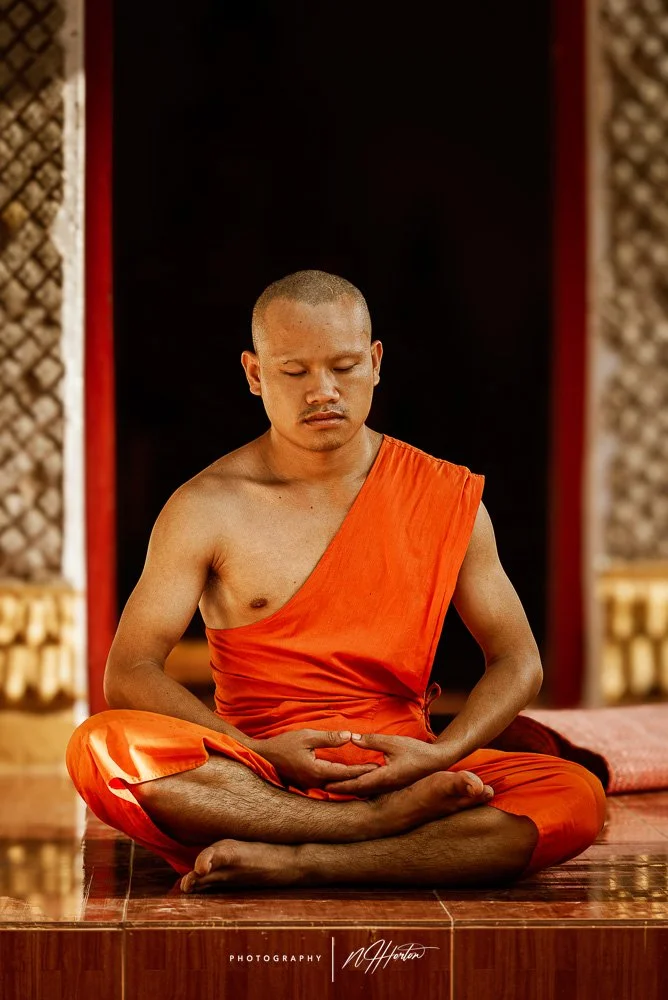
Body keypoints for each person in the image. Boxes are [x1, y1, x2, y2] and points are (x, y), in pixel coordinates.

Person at [66, 269, 606, 893]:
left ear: (376, 363)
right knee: (102, 745)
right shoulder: (206, 506)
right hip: (254, 771)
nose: (322, 391)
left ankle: (304, 859)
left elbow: (518, 661)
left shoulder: (441, 493)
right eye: (294, 372)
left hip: (403, 768)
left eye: (344, 367)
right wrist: (261, 752)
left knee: (573, 796)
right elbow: (129, 669)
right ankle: (376, 830)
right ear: (254, 374)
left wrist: (439, 754)